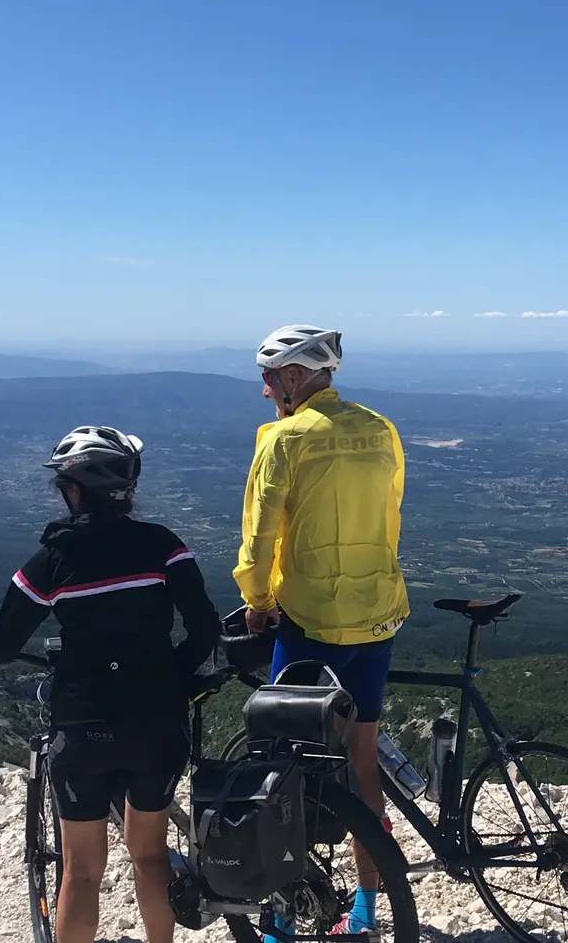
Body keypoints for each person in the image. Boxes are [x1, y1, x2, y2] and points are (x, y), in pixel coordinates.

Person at [0, 425, 219, 943]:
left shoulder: (53, 559)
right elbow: (205, 628)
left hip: (82, 724)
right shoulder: (164, 546)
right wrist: (176, 676)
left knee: (80, 871)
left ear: (73, 490)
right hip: (155, 722)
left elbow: (6, 640)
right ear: (127, 492)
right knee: (148, 855)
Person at [234, 325, 409, 938]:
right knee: (363, 762)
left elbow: (259, 540)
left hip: (309, 622)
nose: (263, 390)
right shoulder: (381, 429)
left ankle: (286, 912)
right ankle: (366, 906)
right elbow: (389, 517)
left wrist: (256, 602)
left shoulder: (284, 439)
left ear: (290, 377)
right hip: (379, 614)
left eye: (267, 377)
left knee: (287, 765)